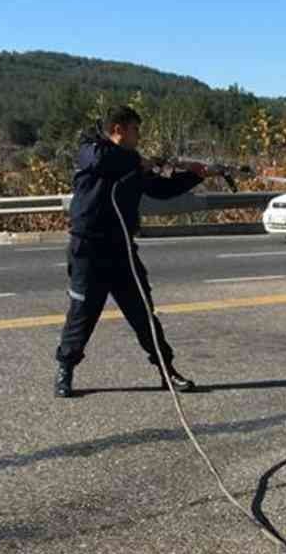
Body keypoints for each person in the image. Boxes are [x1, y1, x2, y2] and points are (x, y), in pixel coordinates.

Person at [54, 106, 209, 398]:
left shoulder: (131, 166)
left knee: (143, 314)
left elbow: (161, 190)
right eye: (135, 130)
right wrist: (140, 161)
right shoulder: (91, 149)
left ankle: (167, 370)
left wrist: (195, 175)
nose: (139, 136)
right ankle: (65, 370)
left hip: (122, 250)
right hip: (87, 249)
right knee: (82, 314)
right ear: (118, 130)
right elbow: (102, 160)